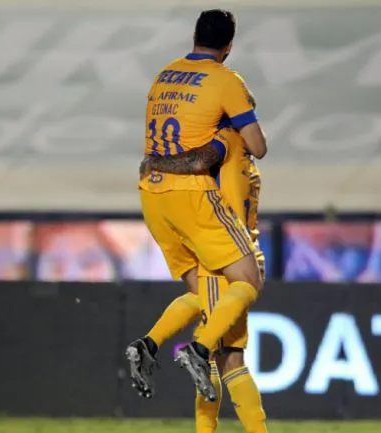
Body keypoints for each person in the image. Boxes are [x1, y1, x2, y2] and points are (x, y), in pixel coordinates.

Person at [126, 8, 268, 404]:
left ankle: (151, 344)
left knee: (205, 296)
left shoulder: (164, 75)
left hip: (151, 194)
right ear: (229, 47)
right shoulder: (226, 82)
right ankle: (199, 347)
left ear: (194, 37)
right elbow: (259, 146)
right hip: (192, 196)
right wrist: (235, 124)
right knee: (247, 278)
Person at [144, 126, 268, 433]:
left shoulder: (225, 142)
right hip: (245, 249)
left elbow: (198, 163)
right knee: (227, 357)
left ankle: (177, 345)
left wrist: (156, 162)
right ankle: (163, 343)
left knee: (226, 359)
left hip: (222, 254)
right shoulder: (248, 165)